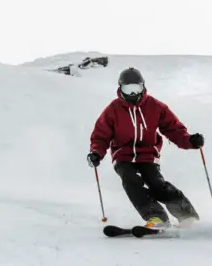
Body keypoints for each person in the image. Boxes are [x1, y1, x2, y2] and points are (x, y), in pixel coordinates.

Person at [87, 67, 204, 229]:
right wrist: (96, 153)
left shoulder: (155, 107)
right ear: (120, 89)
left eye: (137, 89)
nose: (133, 94)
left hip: (148, 154)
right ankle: (157, 217)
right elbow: (101, 135)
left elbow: (173, 129)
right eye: (128, 89)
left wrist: (190, 141)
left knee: (156, 184)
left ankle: (186, 215)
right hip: (123, 156)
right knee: (131, 181)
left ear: (143, 87)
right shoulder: (113, 110)